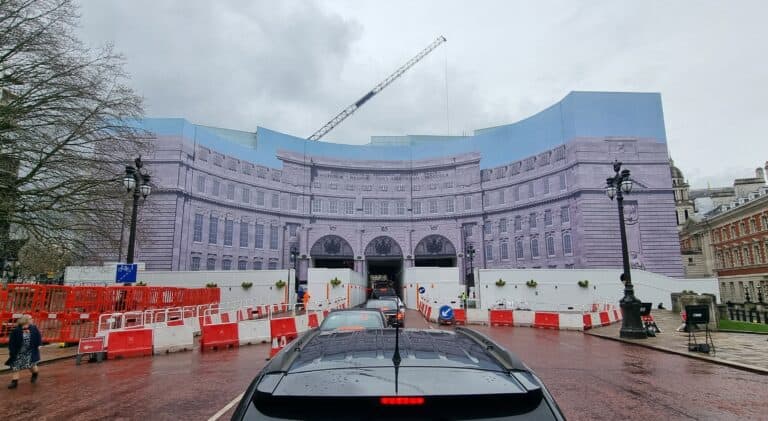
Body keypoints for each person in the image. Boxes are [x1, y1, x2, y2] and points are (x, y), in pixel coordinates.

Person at [5, 315, 42, 389]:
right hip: (19, 352)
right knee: (16, 367)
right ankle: (14, 382)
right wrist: (12, 351)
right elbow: (11, 342)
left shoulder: (34, 328)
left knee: (32, 366)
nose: (32, 319)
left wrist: (39, 345)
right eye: (31, 318)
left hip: (30, 352)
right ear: (26, 320)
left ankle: (35, 374)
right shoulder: (16, 331)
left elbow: (38, 337)